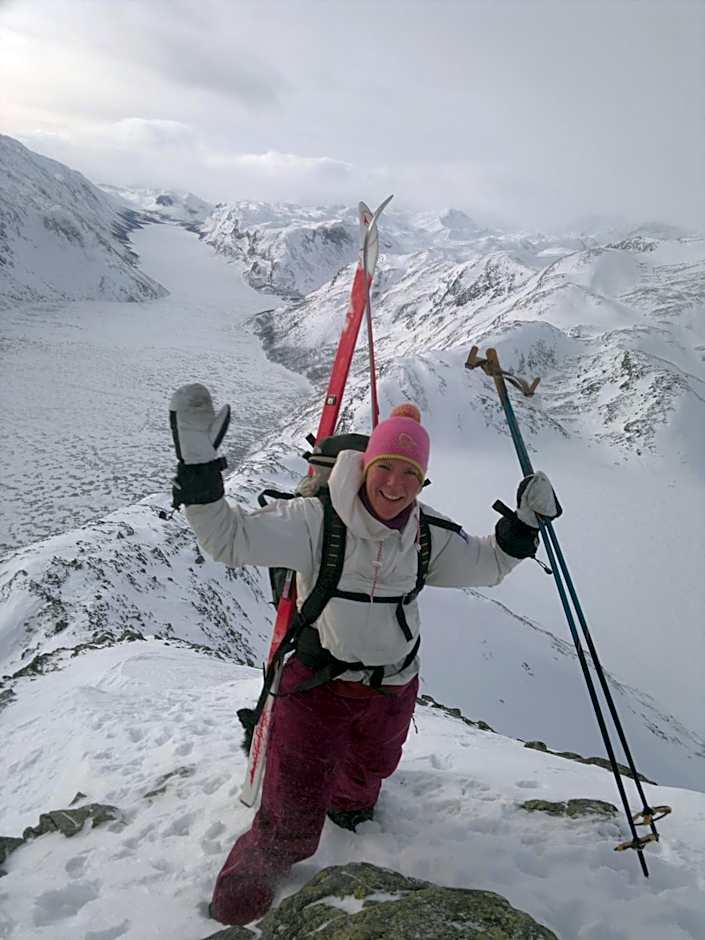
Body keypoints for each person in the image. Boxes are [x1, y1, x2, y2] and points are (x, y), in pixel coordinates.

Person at [169, 383, 561, 926]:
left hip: (394, 687)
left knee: (370, 770)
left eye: (410, 473)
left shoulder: (427, 535)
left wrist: (527, 524)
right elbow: (228, 540)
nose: (396, 485)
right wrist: (198, 469)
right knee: (288, 818)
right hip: (316, 688)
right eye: (386, 467)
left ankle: (352, 811)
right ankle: (235, 910)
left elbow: (488, 564)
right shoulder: (314, 520)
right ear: (367, 463)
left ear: (423, 480)